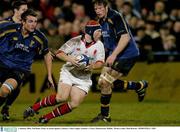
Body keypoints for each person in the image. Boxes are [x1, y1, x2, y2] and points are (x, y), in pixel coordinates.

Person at [23, 20, 105, 124]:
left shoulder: (100, 45)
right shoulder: (75, 41)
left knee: (75, 103)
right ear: (90, 31)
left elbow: (100, 63)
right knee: (62, 97)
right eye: (98, 31)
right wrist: (71, 60)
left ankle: (46, 117)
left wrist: (92, 66)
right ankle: (34, 107)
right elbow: (59, 53)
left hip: (84, 78)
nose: (100, 33)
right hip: (69, 72)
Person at [91, 0, 148, 123]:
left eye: (100, 8)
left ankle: (105, 116)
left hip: (127, 54)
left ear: (106, 7)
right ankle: (139, 86)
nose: (98, 11)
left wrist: (114, 55)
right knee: (103, 82)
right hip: (114, 54)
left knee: (105, 81)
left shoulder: (115, 16)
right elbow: (107, 42)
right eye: (96, 9)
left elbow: (125, 37)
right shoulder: (101, 21)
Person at [0, 9, 54, 120]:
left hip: (20, 70)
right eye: (30, 21)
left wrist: (49, 75)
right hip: (2, 64)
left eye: (35, 21)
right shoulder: (9, 29)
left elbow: (47, 54)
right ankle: (6, 108)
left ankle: (6, 107)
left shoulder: (40, 38)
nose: (33, 24)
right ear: (23, 22)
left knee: (5, 90)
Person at [0, 0, 28, 121]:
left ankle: (6, 107)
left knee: (16, 85)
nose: (26, 13)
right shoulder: (4, 24)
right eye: (24, 10)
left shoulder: (28, 24)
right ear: (15, 11)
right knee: (4, 90)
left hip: (19, 63)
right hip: (2, 62)